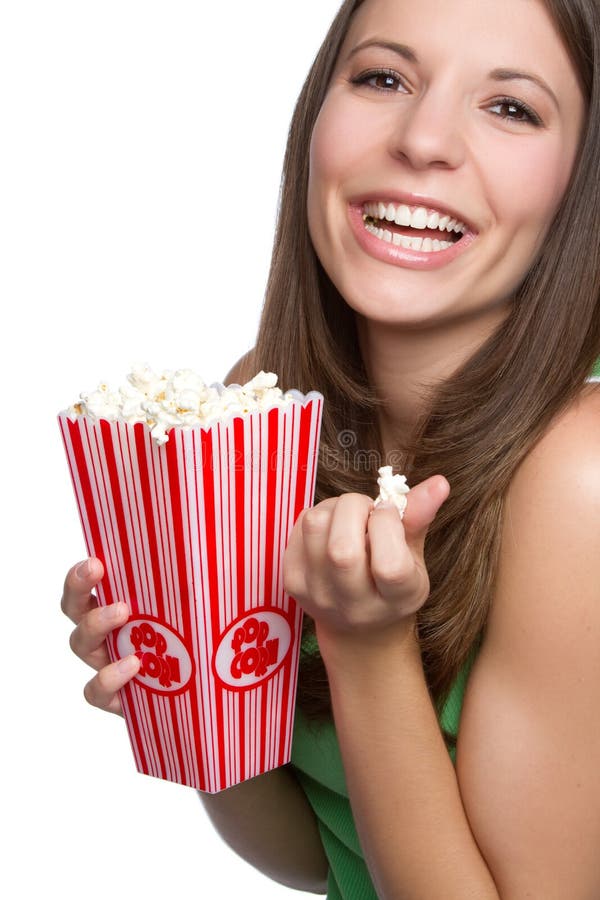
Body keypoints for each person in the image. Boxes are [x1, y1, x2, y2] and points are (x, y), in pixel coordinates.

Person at [61, 0, 600, 896]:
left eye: (511, 107)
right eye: (383, 77)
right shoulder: (264, 402)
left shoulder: (581, 478)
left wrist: (367, 645)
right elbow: (320, 859)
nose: (424, 139)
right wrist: (189, 688)